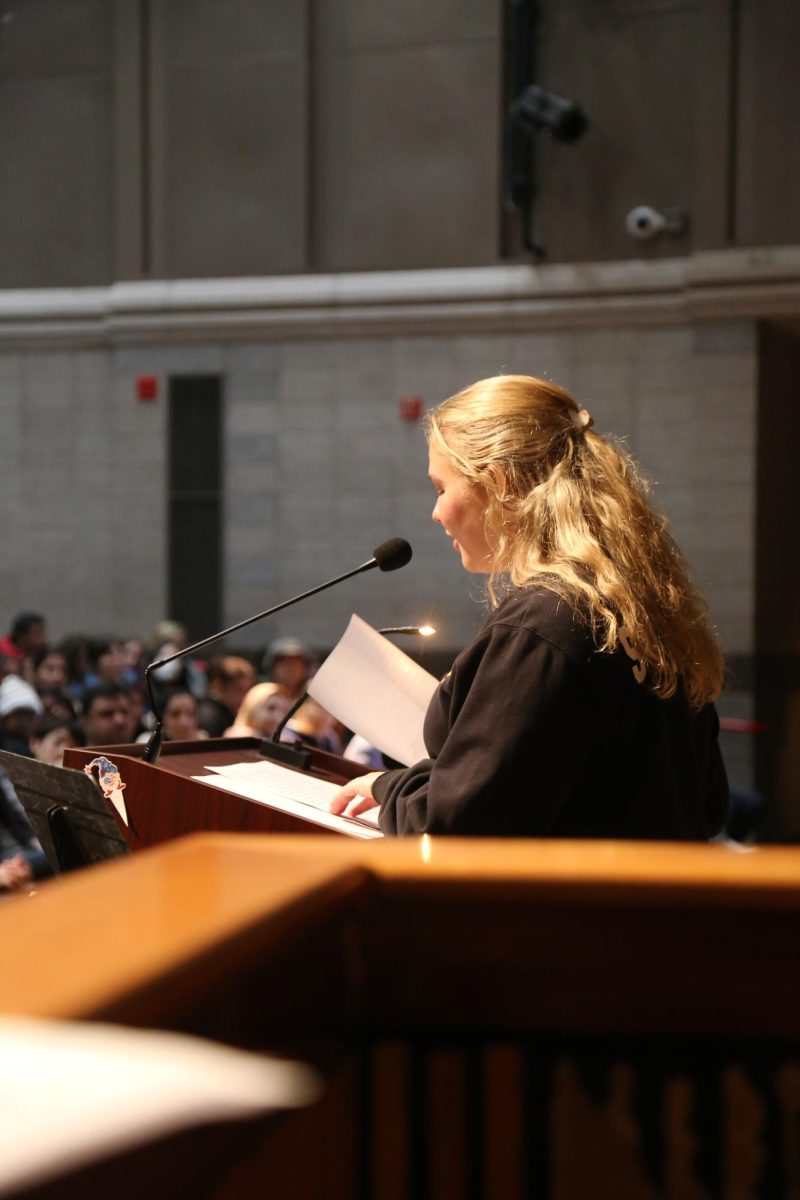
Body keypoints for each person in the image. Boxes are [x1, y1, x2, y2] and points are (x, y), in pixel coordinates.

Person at [331, 374, 728, 839]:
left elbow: (458, 824)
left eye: (440, 488)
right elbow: (708, 803)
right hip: (651, 904)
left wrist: (389, 787)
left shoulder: (547, 622)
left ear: (496, 483)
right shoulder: (643, 611)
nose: (435, 513)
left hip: (562, 909)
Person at [196, 656, 255, 738]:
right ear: (219, 686)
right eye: (238, 690)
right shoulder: (208, 717)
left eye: (247, 690)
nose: (244, 697)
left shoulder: (235, 712)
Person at [224, 682, 292, 739]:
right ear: (252, 706)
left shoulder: (284, 738)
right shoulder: (239, 737)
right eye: (271, 708)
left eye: (284, 711)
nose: (278, 716)